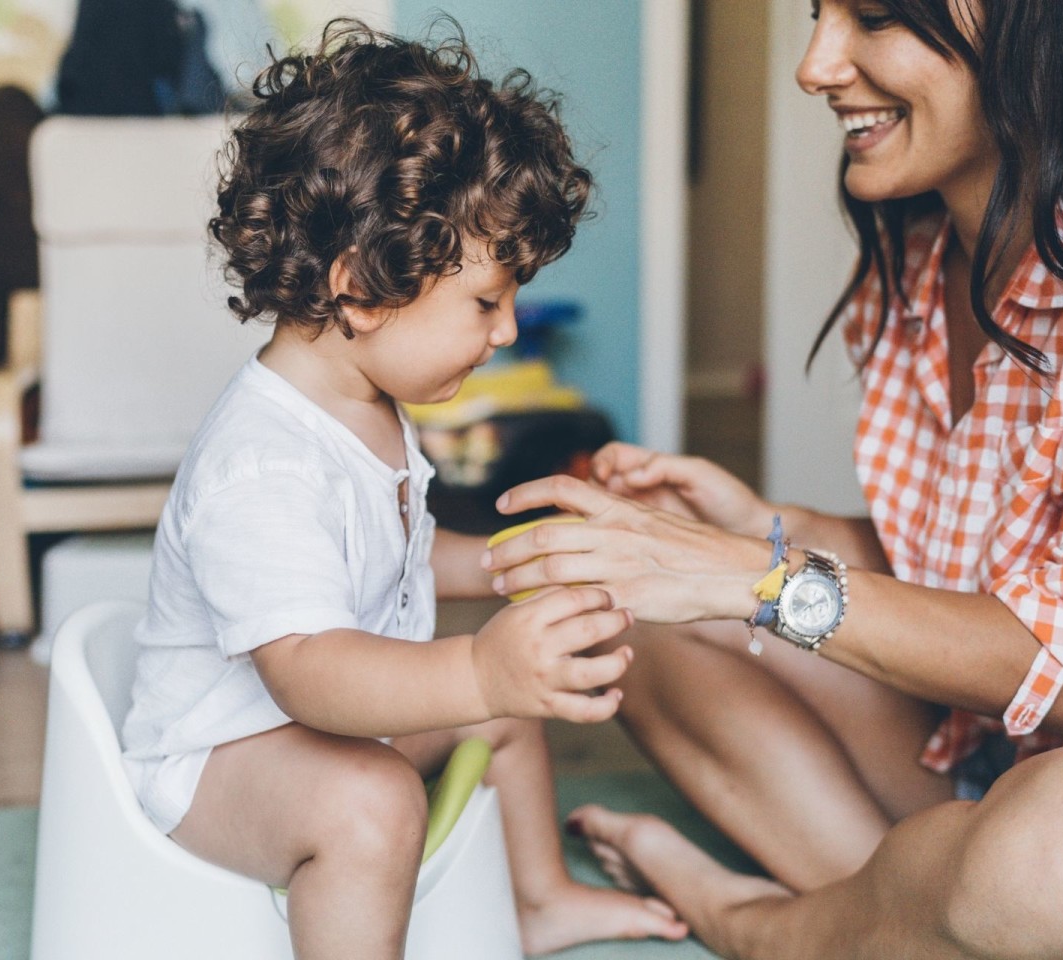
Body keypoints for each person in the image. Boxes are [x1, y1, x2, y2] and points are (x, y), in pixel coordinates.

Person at [482, 0, 1063, 956]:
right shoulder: (923, 266)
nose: (814, 67)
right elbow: (982, 565)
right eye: (817, 15)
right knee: (614, 614)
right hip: (992, 759)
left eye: (876, 18)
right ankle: (919, 911)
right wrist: (764, 527)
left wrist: (753, 575)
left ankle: (764, 924)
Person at [118, 21, 689, 959]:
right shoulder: (263, 462)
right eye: (485, 302)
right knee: (373, 799)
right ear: (362, 291)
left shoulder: (366, 402)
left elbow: (399, 551)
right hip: (216, 764)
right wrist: (476, 669)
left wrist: (526, 565)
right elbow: (308, 669)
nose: (506, 332)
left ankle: (536, 901)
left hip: (319, 729)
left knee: (502, 711)